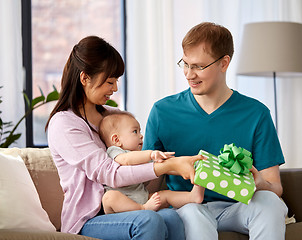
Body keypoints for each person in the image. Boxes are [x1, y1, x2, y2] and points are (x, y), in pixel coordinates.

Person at [45, 35, 204, 240]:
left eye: (116, 81)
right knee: (149, 220)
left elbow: (136, 159)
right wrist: (167, 167)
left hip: (128, 205)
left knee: (172, 218)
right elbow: (109, 173)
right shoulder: (64, 124)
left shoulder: (112, 115)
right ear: (85, 78)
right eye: (110, 81)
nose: (115, 88)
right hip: (89, 219)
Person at [143, 22, 288, 240]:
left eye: (199, 67)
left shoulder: (256, 114)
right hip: (190, 205)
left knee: (271, 203)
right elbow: (148, 184)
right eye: (185, 64)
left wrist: (260, 185)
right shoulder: (162, 112)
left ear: (224, 63)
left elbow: (275, 187)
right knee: (193, 214)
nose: (189, 74)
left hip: (240, 206)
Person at [98, 112, 205, 214]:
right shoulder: (114, 151)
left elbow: (165, 167)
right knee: (109, 197)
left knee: (165, 195)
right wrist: (151, 154)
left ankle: (193, 197)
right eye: (135, 131)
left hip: (143, 197)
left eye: (140, 131)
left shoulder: (138, 155)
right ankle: (142, 208)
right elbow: (126, 160)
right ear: (116, 140)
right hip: (122, 204)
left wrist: (188, 168)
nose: (141, 136)